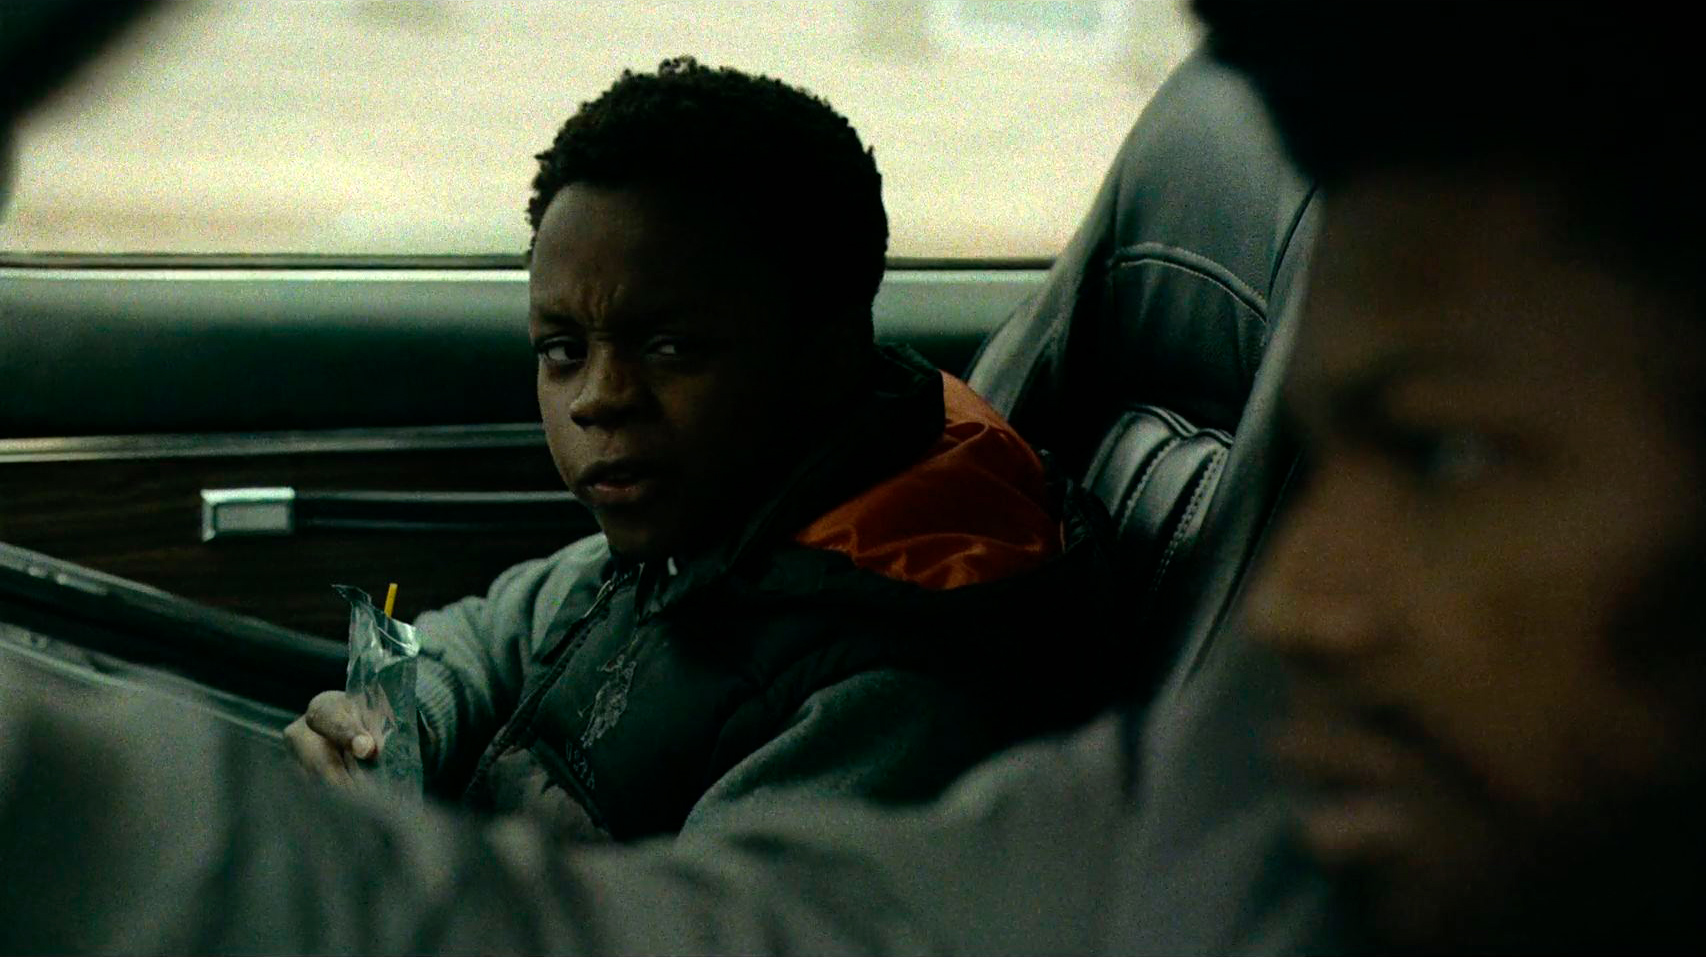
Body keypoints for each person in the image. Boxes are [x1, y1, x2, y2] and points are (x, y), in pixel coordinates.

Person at [8, 3, 1706, 954]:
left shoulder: (906, 674)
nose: (1302, 596)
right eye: (1322, 456)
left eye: (1449, 453)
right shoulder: (1245, 821)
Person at [277, 57, 1115, 840]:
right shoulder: (697, 539)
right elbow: (489, 632)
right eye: (562, 349)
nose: (597, 397)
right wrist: (389, 728)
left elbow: (697, 924)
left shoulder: (889, 680)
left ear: (825, 352)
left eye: (672, 346)